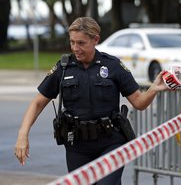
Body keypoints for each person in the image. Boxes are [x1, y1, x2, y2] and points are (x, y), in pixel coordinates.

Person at [14, 17, 168, 184]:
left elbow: (139, 102)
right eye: (72, 42)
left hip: (110, 143)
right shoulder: (63, 67)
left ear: (95, 40)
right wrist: (23, 134)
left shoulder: (113, 66)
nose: (75, 48)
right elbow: (38, 102)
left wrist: (154, 89)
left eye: (81, 43)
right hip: (77, 147)